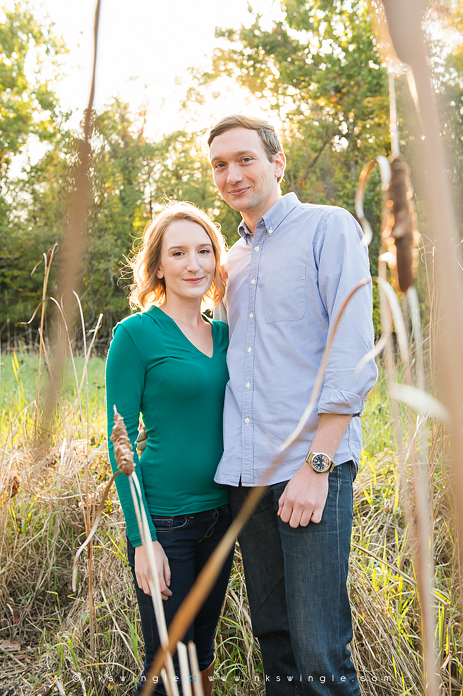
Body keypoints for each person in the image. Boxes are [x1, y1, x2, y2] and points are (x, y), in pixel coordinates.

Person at [208, 114, 378, 695]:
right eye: (220, 166)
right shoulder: (226, 264)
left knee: (319, 651)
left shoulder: (327, 228)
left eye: (245, 159)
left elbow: (353, 354)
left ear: (277, 163)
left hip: (310, 470)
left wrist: (317, 467)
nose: (232, 175)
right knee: (276, 645)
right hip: (247, 479)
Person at [106, 202, 234, 696]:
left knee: (201, 653)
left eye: (204, 251)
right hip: (166, 521)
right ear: (158, 266)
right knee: (167, 664)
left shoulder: (226, 336)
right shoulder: (135, 335)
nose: (193, 264)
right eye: (178, 253)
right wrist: (143, 539)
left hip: (221, 516)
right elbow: (119, 443)